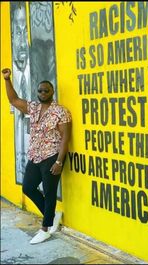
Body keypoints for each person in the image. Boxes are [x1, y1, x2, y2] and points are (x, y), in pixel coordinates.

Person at [2, 68, 72, 244]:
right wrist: (7, 79)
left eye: (46, 90)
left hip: (52, 156)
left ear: (52, 92)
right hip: (35, 155)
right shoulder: (33, 107)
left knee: (49, 193)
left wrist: (59, 161)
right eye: (40, 90)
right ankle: (52, 216)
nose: (42, 93)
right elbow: (13, 99)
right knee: (28, 187)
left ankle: (46, 228)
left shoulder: (61, 112)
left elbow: (65, 138)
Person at [11, 3, 31, 183]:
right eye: (18, 32)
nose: (23, 41)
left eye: (26, 32)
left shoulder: (36, 80)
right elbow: (14, 100)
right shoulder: (13, 77)